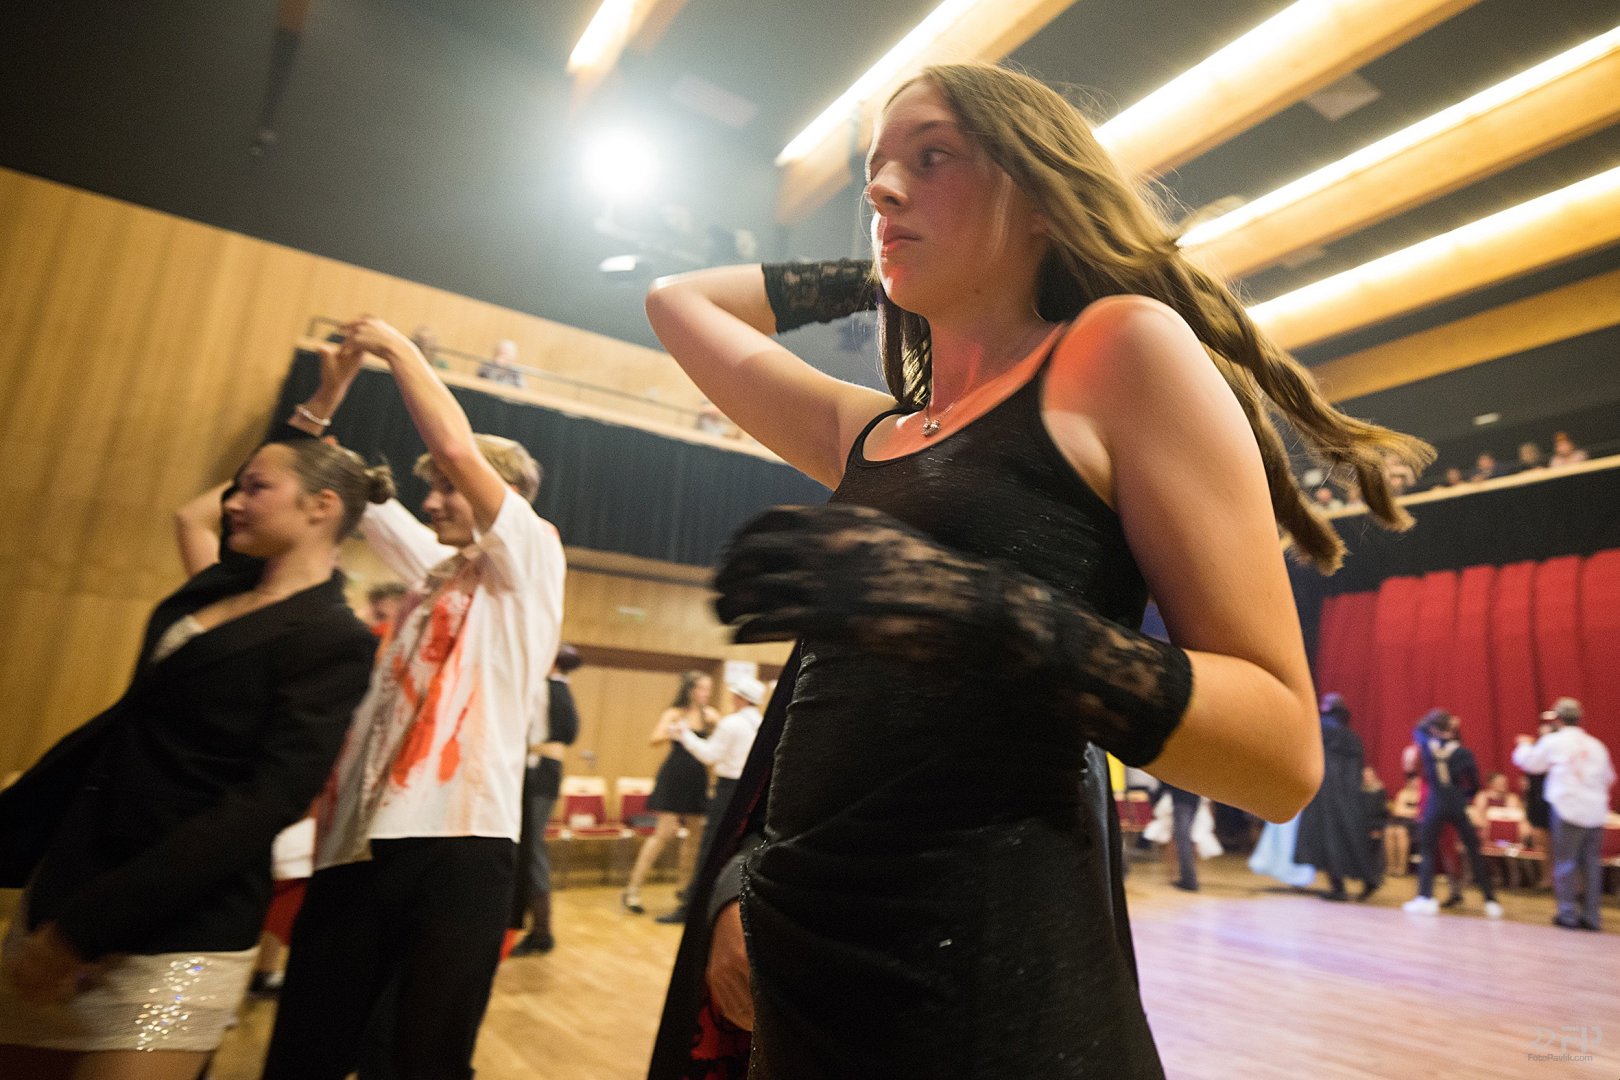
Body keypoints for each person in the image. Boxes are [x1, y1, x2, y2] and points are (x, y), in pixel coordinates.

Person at [642, 61, 1430, 1078]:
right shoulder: (871, 435)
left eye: (934, 157)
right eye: (877, 170)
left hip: (991, 995)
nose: (881, 187)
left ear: (1044, 202)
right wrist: (883, 261)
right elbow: (676, 302)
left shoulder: (1117, 350)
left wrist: (984, 614)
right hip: (810, 982)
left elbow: (1283, 756)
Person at [0, 346, 388, 1079]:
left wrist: (84, 931)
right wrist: (317, 408)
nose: (234, 501)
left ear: (321, 508)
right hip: (70, 881)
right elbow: (194, 511)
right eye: (237, 487)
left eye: (257, 488)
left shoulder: (333, 637)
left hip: (178, 922)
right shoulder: (218, 587)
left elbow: (265, 802)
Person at [262, 317, 566, 1080]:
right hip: (358, 840)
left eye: (445, 490)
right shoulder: (437, 568)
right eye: (429, 488)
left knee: (421, 1058)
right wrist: (327, 395)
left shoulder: (529, 559)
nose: (431, 502)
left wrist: (398, 349)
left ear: (502, 496)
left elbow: (459, 450)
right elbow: (328, 480)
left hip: (458, 842)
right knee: (305, 1049)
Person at [655, 675, 767, 923]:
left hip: (727, 791)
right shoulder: (760, 723)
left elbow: (709, 755)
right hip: (749, 792)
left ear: (740, 698)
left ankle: (690, 908)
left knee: (709, 849)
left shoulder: (732, 723)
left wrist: (685, 735)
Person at [1513, 698, 1616, 931]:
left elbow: (1531, 763)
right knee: (1591, 864)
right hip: (1595, 811)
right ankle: (1591, 916)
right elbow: (1609, 778)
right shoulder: (1596, 745)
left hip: (1567, 809)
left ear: (1558, 719)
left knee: (1566, 862)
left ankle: (1567, 913)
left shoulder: (1554, 741)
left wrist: (1524, 746)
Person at [623, 671, 720, 915]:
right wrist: (674, 730)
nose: (706, 694)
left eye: (708, 689)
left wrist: (715, 724)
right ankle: (633, 889)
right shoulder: (675, 713)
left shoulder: (710, 715)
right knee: (663, 834)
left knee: (695, 838)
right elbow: (654, 739)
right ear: (690, 690)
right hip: (675, 775)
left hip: (698, 777)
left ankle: (684, 889)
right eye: (702, 688)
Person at [511, 643, 585, 956]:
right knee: (531, 846)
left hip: (538, 772)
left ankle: (541, 929)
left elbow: (556, 733)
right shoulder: (559, 689)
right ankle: (537, 927)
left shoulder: (546, 688)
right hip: (544, 771)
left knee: (532, 847)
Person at [1402, 710, 1502, 918]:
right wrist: (1463, 797)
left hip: (1435, 803)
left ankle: (1425, 898)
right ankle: (1490, 901)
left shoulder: (1427, 747)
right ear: (1451, 729)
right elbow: (1475, 784)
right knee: (1474, 850)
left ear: (1433, 729)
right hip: (1456, 802)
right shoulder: (1463, 752)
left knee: (1427, 850)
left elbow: (1419, 729)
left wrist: (1435, 724)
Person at [1294, 694, 1384, 901]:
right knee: (1352, 841)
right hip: (1350, 798)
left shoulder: (1322, 729)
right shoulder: (1352, 737)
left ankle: (1338, 887)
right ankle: (1369, 879)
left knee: (1327, 840)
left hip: (1325, 796)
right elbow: (1359, 769)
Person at [1386, 775, 1421, 877]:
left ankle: (1401, 868)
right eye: (1413, 781)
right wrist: (1411, 811)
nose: (1415, 784)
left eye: (1417, 782)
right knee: (1389, 831)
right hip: (1400, 821)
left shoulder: (1423, 794)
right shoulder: (1403, 793)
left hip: (1416, 823)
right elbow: (1397, 811)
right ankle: (1391, 867)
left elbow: (1420, 812)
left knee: (1400, 832)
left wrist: (1405, 810)